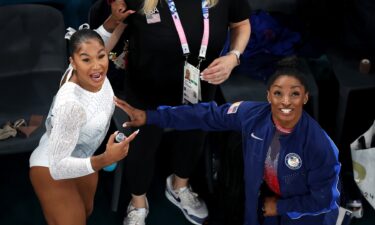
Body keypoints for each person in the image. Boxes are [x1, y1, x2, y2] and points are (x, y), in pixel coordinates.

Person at [114, 65, 341, 225]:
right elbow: (205, 115)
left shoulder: (321, 147)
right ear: (269, 96)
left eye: (295, 94)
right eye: (278, 93)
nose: (286, 101)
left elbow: (324, 200)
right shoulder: (251, 115)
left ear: (305, 98)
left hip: (303, 217)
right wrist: (151, 117)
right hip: (260, 205)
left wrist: (279, 208)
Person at [90, 0, 251, 224]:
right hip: (147, 88)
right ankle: (137, 202)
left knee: (194, 136)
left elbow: (241, 24)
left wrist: (234, 56)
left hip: (200, 83)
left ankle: (180, 185)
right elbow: (104, 45)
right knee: (142, 144)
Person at [29, 27, 139, 225]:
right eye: (86, 60)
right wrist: (105, 159)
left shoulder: (95, 72)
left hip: (82, 157)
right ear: (73, 62)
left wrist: (119, 20)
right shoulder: (70, 105)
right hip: (51, 166)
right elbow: (59, 167)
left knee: (86, 211)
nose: (97, 66)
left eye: (101, 56)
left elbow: (97, 41)